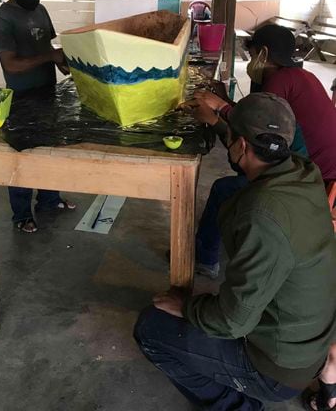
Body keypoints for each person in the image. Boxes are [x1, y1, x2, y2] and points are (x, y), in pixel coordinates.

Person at [134, 92, 336, 411]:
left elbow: (232, 322)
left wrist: (187, 307)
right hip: (312, 341)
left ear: (241, 146)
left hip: (278, 370)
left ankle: (237, 407)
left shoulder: (262, 215)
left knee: (151, 327)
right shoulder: (302, 172)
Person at [192, 24, 336, 277]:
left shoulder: (279, 80)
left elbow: (256, 135)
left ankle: (205, 260)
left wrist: (218, 113)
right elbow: (258, 123)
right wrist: (225, 101)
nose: (250, 59)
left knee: (225, 189)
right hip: (314, 170)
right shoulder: (303, 76)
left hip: (310, 178)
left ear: (263, 53)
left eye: (252, 51)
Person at [0, 0, 75, 233]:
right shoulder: (2, 19)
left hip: (47, 93)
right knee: (22, 157)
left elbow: (46, 48)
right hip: (21, 98)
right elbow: (11, 65)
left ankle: (50, 199)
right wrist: (50, 56)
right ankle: (22, 214)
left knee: (49, 150)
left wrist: (65, 65)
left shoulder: (41, 10)